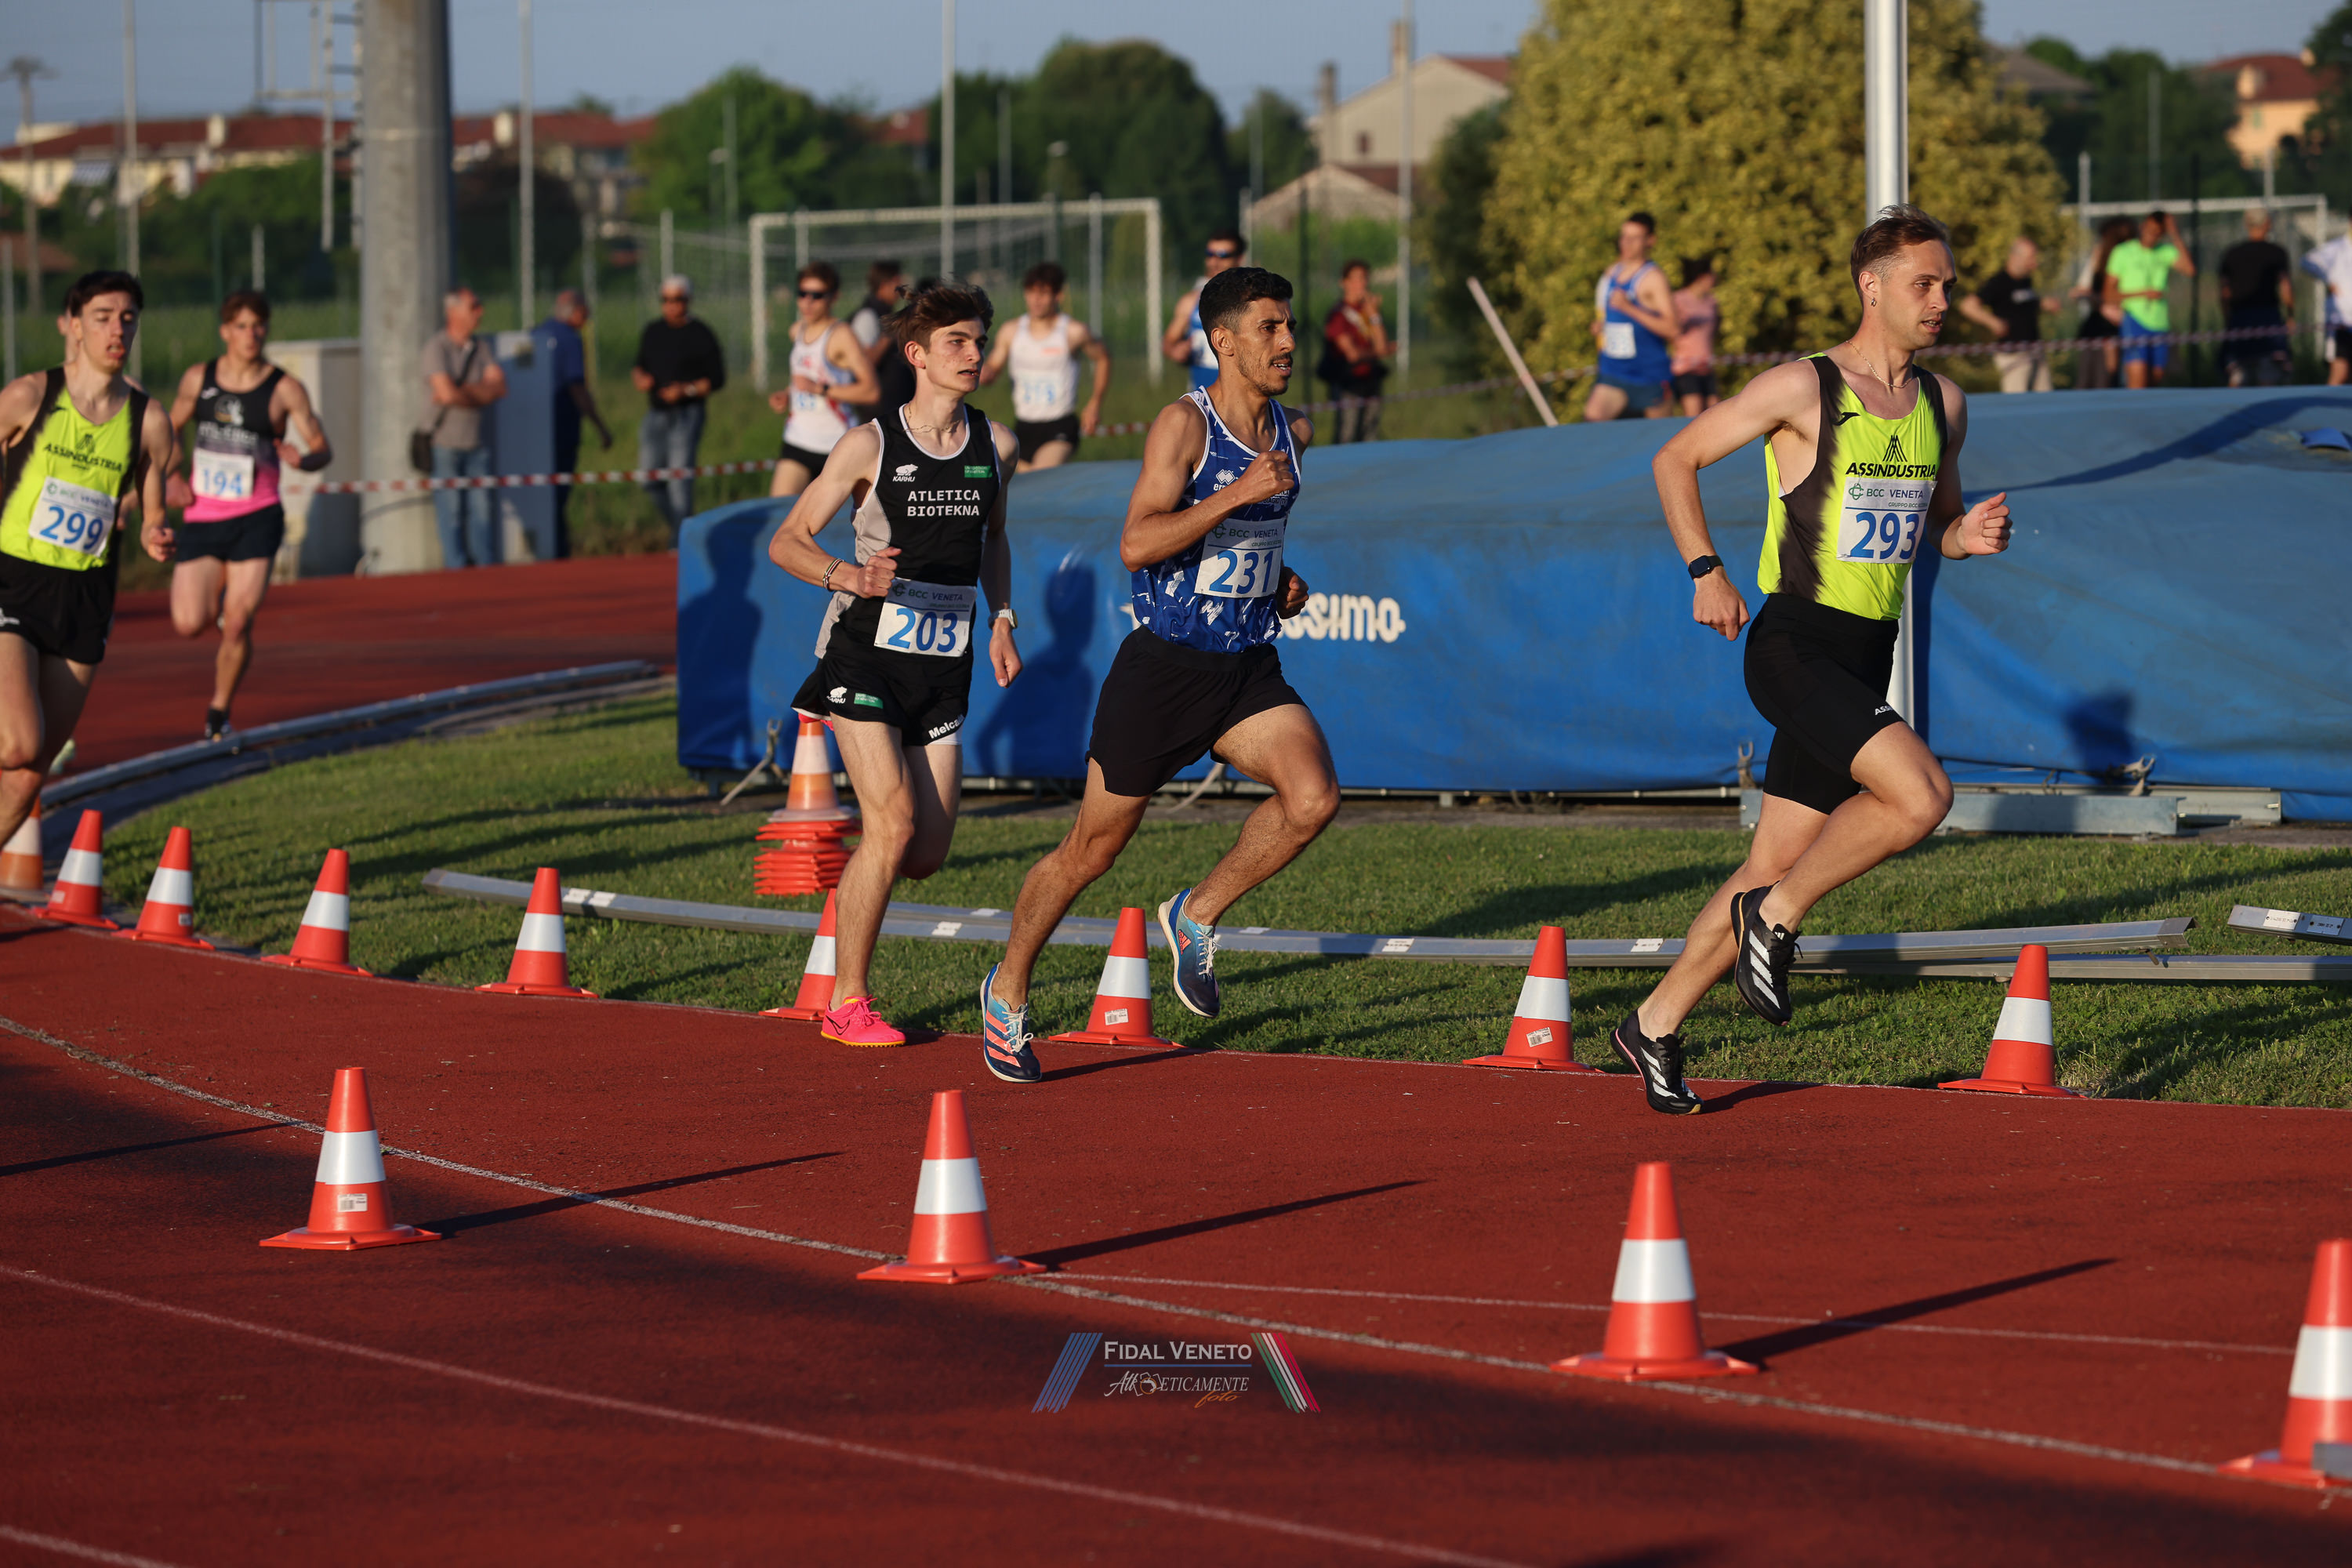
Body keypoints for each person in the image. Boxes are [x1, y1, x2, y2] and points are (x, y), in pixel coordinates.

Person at [1606, 206, 2014, 1115]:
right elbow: (1675, 457)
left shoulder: (1945, 404)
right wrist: (1706, 569)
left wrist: (1970, 535)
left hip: (1867, 653)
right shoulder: (1803, 386)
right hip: (1794, 644)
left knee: (1769, 863)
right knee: (1922, 795)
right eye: (1924, 283)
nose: (1941, 300)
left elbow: (1938, 526)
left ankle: (1654, 1023)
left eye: (1948, 284)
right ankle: (1778, 918)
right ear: (1872, 285)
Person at [978, 266, 1331, 1086]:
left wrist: (1278, 580)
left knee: (1313, 798)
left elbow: (1243, 543)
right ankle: (1007, 988)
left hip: (1245, 666)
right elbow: (1138, 543)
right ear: (1224, 341)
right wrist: (1235, 493)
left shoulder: (1293, 430)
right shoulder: (1185, 426)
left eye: (1289, 325)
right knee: (1089, 853)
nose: (1287, 341)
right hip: (1165, 670)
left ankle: (1195, 913)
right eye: (1271, 327)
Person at [765, 282, 1022, 1047]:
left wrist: (1002, 618)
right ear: (917, 354)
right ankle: (847, 1002)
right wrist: (848, 574)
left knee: (925, 851)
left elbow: (995, 539)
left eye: (979, 341)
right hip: (864, 655)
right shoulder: (868, 446)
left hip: (943, 662)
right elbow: (787, 540)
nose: (973, 354)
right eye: (957, 342)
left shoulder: (998, 445)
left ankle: (863, 875)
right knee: (893, 822)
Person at [0, 270, 176, 859]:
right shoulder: (28, 397)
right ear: (74, 326)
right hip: (13, 583)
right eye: (102, 317)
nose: (117, 329)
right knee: (18, 742)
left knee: (30, 775)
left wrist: (155, 533)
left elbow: (153, 510)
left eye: (127, 318)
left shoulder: (149, 421)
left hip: (84, 601)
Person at [162, 289, 333, 740]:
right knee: (188, 622)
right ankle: (221, 606)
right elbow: (167, 429)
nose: (251, 335)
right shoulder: (199, 379)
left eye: (258, 326)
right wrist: (172, 475)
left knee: (237, 622)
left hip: (257, 515)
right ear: (225, 332)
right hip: (203, 515)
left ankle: (219, 711)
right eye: (241, 326)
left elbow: (322, 447)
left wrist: (304, 460)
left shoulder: (284, 389)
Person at [981, 262, 1109, 471]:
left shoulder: (1073, 331)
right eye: (1031, 292)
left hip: (1059, 425)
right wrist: (986, 374)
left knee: (1042, 474)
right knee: (1011, 481)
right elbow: (994, 366)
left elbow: (1103, 358)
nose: (1036, 300)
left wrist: (1095, 403)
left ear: (1058, 296)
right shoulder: (1011, 331)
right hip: (1023, 425)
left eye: (1043, 293)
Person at [767, 263, 880, 498]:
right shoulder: (796, 330)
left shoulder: (841, 335)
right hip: (797, 440)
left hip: (836, 446)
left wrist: (821, 389)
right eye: (802, 294)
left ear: (833, 297)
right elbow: (803, 378)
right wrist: (787, 394)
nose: (808, 302)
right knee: (780, 511)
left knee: (839, 519)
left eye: (817, 295)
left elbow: (871, 391)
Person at [631, 274, 726, 539]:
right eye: (666, 299)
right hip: (656, 413)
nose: (671, 305)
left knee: (678, 482)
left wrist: (686, 390)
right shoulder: (653, 331)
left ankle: (681, 540)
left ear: (688, 300)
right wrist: (640, 378)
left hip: (688, 414)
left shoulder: (701, 333)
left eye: (678, 299)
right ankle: (683, 529)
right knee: (648, 479)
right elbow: (639, 365)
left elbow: (717, 379)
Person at [420, 286, 508, 567]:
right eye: (474, 306)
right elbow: (446, 395)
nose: (480, 312)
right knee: (452, 512)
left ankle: (485, 570)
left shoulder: (480, 348)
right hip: (444, 445)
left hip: (475, 444)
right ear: (453, 312)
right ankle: (457, 570)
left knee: (482, 511)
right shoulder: (437, 348)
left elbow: (500, 387)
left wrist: (464, 392)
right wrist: (480, 391)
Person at [535, 287, 612, 559]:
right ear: (576, 312)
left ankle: (543, 546)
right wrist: (600, 426)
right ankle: (557, 550)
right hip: (563, 426)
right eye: (585, 312)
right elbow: (577, 387)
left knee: (539, 489)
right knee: (559, 491)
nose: (588, 318)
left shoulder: (538, 333)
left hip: (534, 428)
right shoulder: (570, 339)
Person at [1585, 213, 1679, 421]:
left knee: (1660, 438)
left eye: (1634, 238)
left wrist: (1630, 309)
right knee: (1593, 421)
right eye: (1623, 236)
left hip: (1649, 377)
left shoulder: (1653, 278)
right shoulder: (1612, 272)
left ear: (1650, 241)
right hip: (1614, 373)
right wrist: (1602, 325)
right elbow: (1611, 315)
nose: (1626, 243)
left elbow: (1673, 329)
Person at [2103, 211, 2195, 390]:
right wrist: (2142, 294)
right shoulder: (2123, 252)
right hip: (2134, 322)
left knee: (2155, 380)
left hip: (2160, 324)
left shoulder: (2165, 252)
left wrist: (2174, 233)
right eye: (2149, 230)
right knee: (2137, 383)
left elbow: (2190, 270)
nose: (2151, 236)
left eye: (2157, 233)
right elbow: (2108, 295)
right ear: (2142, 227)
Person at [1958, 236, 2058, 393]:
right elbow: (1968, 306)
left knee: (2046, 399)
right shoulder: (1999, 282)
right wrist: (1993, 322)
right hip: (2014, 355)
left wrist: (2043, 304)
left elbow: (2022, 305)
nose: (2035, 263)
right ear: (2016, 257)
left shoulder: (2026, 281)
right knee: (2017, 402)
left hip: (2035, 351)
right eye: (2031, 258)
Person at [2217, 210, 2296, 390]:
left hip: (2239, 318)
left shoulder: (2232, 253)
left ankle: (2235, 406)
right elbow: (2286, 287)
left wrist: (2228, 319)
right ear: (2267, 224)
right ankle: (2266, 407)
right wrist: (2290, 315)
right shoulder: (2277, 253)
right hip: (2268, 318)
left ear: (2247, 225)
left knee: (2237, 372)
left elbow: (2224, 292)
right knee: (2268, 373)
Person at [1163, 230, 1247, 394]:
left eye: (1223, 255)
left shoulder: (1252, 301)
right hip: (1204, 399)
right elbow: (1168, 341)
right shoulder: (1192, 300)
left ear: (1239, 258)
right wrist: (1176, 351)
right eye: (1210, 254)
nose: (1215, 261)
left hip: (1243, 397)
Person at [1319, 260, 1389, 444]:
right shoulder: (1338, 314)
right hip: (1348, 383)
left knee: (1370, 433)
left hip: (1371, 379)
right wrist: (1378, 352)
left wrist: (1374, 314)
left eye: (1365, 278)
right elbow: (1353, 354)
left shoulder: (1367, 311)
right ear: (1344, 283)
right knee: (1347, 434)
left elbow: (1382, 344)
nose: (1362, 284)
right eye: (1357, 279)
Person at [2069, 218, 2132, 390]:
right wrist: (2098, 301)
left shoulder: (2128, 259)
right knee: (2089, 380)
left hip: (2119, 328)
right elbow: (2083, 288)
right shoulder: (2100, 256)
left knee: (2108, 381)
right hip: (2097, 327)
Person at [850, 260, 916, 412]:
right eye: (897, 282)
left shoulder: (886, 313)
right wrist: (888, 337)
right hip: (878, 410)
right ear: (885, 284)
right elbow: (865, 363)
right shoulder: (868, 316)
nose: (901, 289)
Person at [2303, 217, 2352, 387]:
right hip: (2341, 321)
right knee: (2340, 372)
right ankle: (2329, 401)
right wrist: (2329, 280)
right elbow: (2308, 261)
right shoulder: (2336, 248)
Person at [1670, 257, 1721, 416]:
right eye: (1711, 275)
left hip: (1706, 366)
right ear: (1701, 277)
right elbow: (1671, 330)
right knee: (1694, 415)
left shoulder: (1712, 302)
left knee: (1716, 412)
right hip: (1686, 368)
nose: (1714, 279)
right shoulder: (1678, 299)